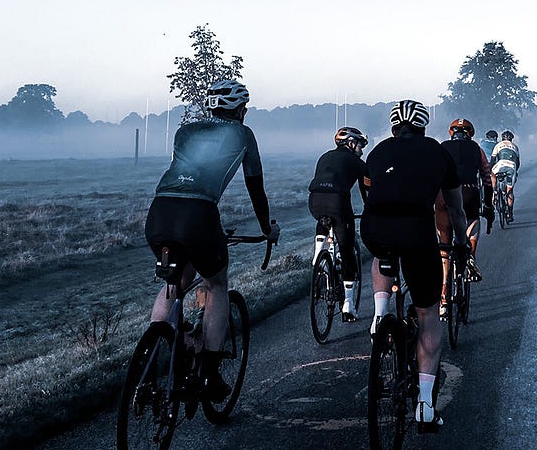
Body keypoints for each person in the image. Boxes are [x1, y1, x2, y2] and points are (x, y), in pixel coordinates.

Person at [144, 79, 280, 401]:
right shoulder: (244, 135)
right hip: (198, 214)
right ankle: (210, 375)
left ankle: (151, 368)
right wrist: (266, 228)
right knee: (216, 284)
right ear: (241, 109)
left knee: (174, 283)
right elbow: (255, 188)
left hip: (160, 211)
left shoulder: (185, 132)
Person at [361, 99, 469, 431]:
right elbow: (454, 208)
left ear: (394, 127)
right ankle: (424, 404)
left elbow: (370, 193)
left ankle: (380, 314)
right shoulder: (439, 152)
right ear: (423, 126)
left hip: (374, 227)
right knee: (427, 311)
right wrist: (461, 243)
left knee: (383, 254)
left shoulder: (376, 152)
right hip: (417, 232)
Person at [308, 126, 369, 321]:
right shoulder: (357, 162)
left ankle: (318, 254)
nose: (361, 150)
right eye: (360, 145)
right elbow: (366, 187)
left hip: (315, 201)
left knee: (323, 219)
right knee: (346, 249)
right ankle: (348, 306)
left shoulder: (324, 156)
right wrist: (370, 209)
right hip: (338, 203)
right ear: (351, 143)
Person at [436, 118, 493, 316]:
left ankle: (443, 296)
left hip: (443, 196)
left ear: (452, 133)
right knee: (473, 222)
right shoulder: (477, 149)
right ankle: (470, 259)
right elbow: (487, 178)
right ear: (470, 134)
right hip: (469, 194)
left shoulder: (442, 147)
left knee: (444, 248)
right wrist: (488, 204)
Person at [490, 130, 521, 223]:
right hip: (512, 167)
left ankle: (494, 191)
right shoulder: (515, 147)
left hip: (500, 165)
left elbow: (492, 160)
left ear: (502, 138)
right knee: (509, 191)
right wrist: (516, 172)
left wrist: (490, 170)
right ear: (511, 139)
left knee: (492, 174)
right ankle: (510, 214)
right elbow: (518, 162)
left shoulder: (498, 145)